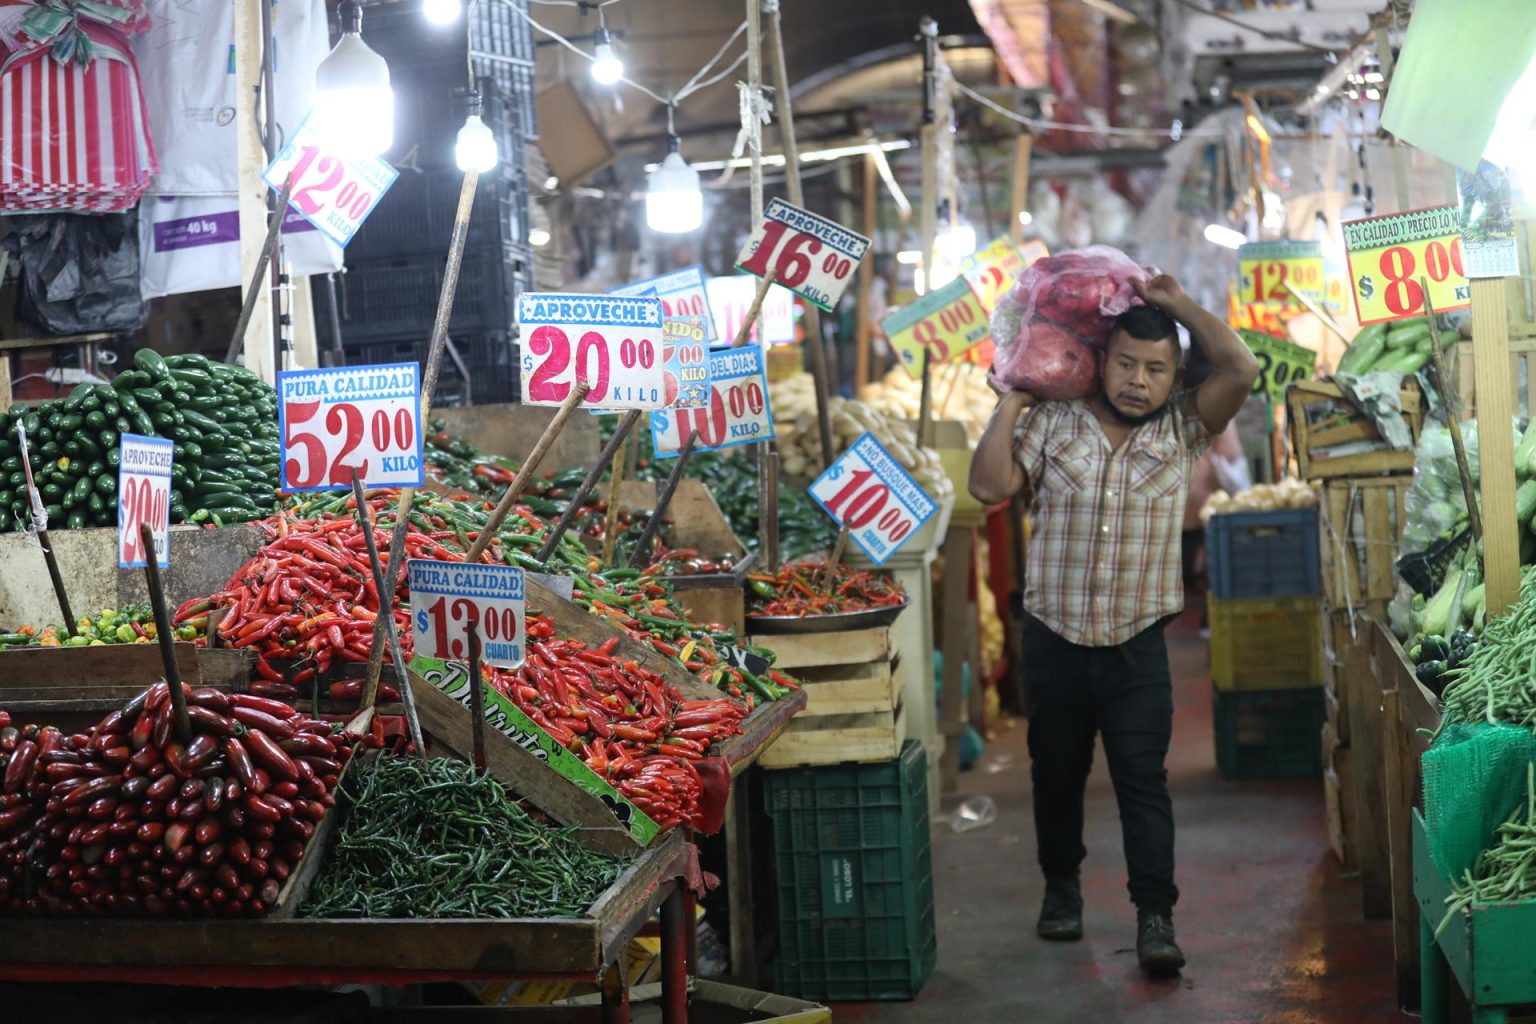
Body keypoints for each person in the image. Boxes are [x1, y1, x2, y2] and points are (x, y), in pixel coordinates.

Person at [968, 273, 1258, 975]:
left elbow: (1242, 368)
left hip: (1135, 647)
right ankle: (1060, 889)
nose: (1138, 380)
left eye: (1156, 369)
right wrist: (1012, 400)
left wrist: (1178, 304)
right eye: (1126, 363)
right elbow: (987, 486)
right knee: (1057, 776)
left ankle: (1155, 917)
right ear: (1102, 361)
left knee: (1142, 782)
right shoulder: (1052, 424)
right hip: (1055, 640)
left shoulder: (1187, 429)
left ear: (1173, 376)